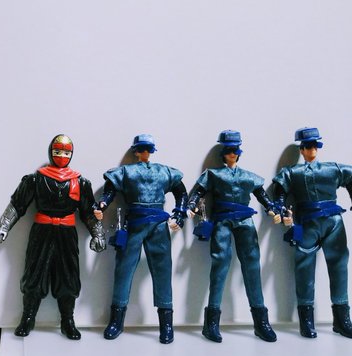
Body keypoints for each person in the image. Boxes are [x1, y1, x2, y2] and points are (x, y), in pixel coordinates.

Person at [0, 134, 106, 340]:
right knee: (34, 273)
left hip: (67, 234)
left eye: (66, 153)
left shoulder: (80, 182)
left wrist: (98, 234)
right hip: (42, 232)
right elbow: (17, 205)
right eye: (57, 151)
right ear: (50, 152)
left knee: (68, 276)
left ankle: (67, 320)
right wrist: (4, 226)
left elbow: (88, 213)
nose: (61, 156)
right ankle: (28, 318)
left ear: (71, 155)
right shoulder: (35, 179)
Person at [188, 130, 279, 343]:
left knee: (252, 265)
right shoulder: (214, 174)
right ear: (223, 153)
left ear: (239, 152)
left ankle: (261, 322)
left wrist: (272, 209)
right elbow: (198, 192)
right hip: (222, 221)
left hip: (245, 221)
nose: (232, 154)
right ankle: (211, 323)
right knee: (220, 265)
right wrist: (191, 206)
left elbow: (262, 195)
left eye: (235, 150)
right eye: (228, 150)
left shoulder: (248, 176)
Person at [95, 134, 187, 344]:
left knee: (163, 271)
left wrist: (180, 213)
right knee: (123, 270)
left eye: (148, 149)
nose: (145, 152)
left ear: (152, 150)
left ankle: (166, 324)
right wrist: (102, 204)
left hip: (159, 225)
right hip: (134, 224)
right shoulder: (126, 172)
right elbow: (109, 191)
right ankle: (116, 320)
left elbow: (181, 192)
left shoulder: (164, 171)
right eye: (142, 149)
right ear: (136, 151)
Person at [272, 127, 352, 339]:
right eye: (307, 146)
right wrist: (282, 210)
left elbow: (351, 177)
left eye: (315, 145)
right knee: (304, 268)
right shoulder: (292, 172)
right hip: (306, 223)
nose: (312, 150)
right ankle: (306, 321)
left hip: (333, 222)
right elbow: (279, 192)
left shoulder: (332, 168)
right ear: (301, 150)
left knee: (339, 266)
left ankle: (342, 319)